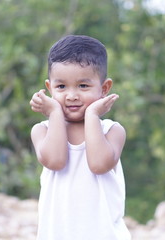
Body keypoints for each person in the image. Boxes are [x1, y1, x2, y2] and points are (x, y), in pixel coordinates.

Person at [30, 35, 131, 240]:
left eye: (83, 86)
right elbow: (55, 161)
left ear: (104, 88)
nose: (72, 95)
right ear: (49, 89)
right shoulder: (42, 131)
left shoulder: (112, 131)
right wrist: (55, 113)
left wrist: (92, 115)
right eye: (61, 87)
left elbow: (98, 164)